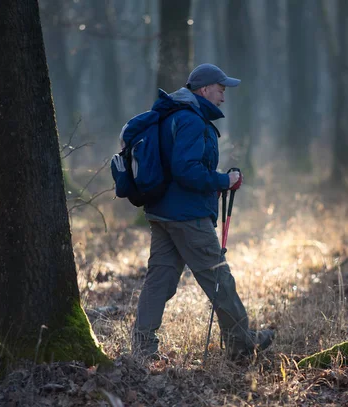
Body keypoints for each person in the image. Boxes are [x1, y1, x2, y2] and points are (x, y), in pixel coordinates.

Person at [132, 63, 275, 360]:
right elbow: (186, 171)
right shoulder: (192, 120)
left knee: (160, 280)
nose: (223, 96)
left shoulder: (172, 115)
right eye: (221, 89)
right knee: (218, 277)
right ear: (204, 89)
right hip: (187, 216)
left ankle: (142, 348)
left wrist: (217, 179)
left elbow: (181, 167)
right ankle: (241, 343)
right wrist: (224, 180)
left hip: (162, 212)